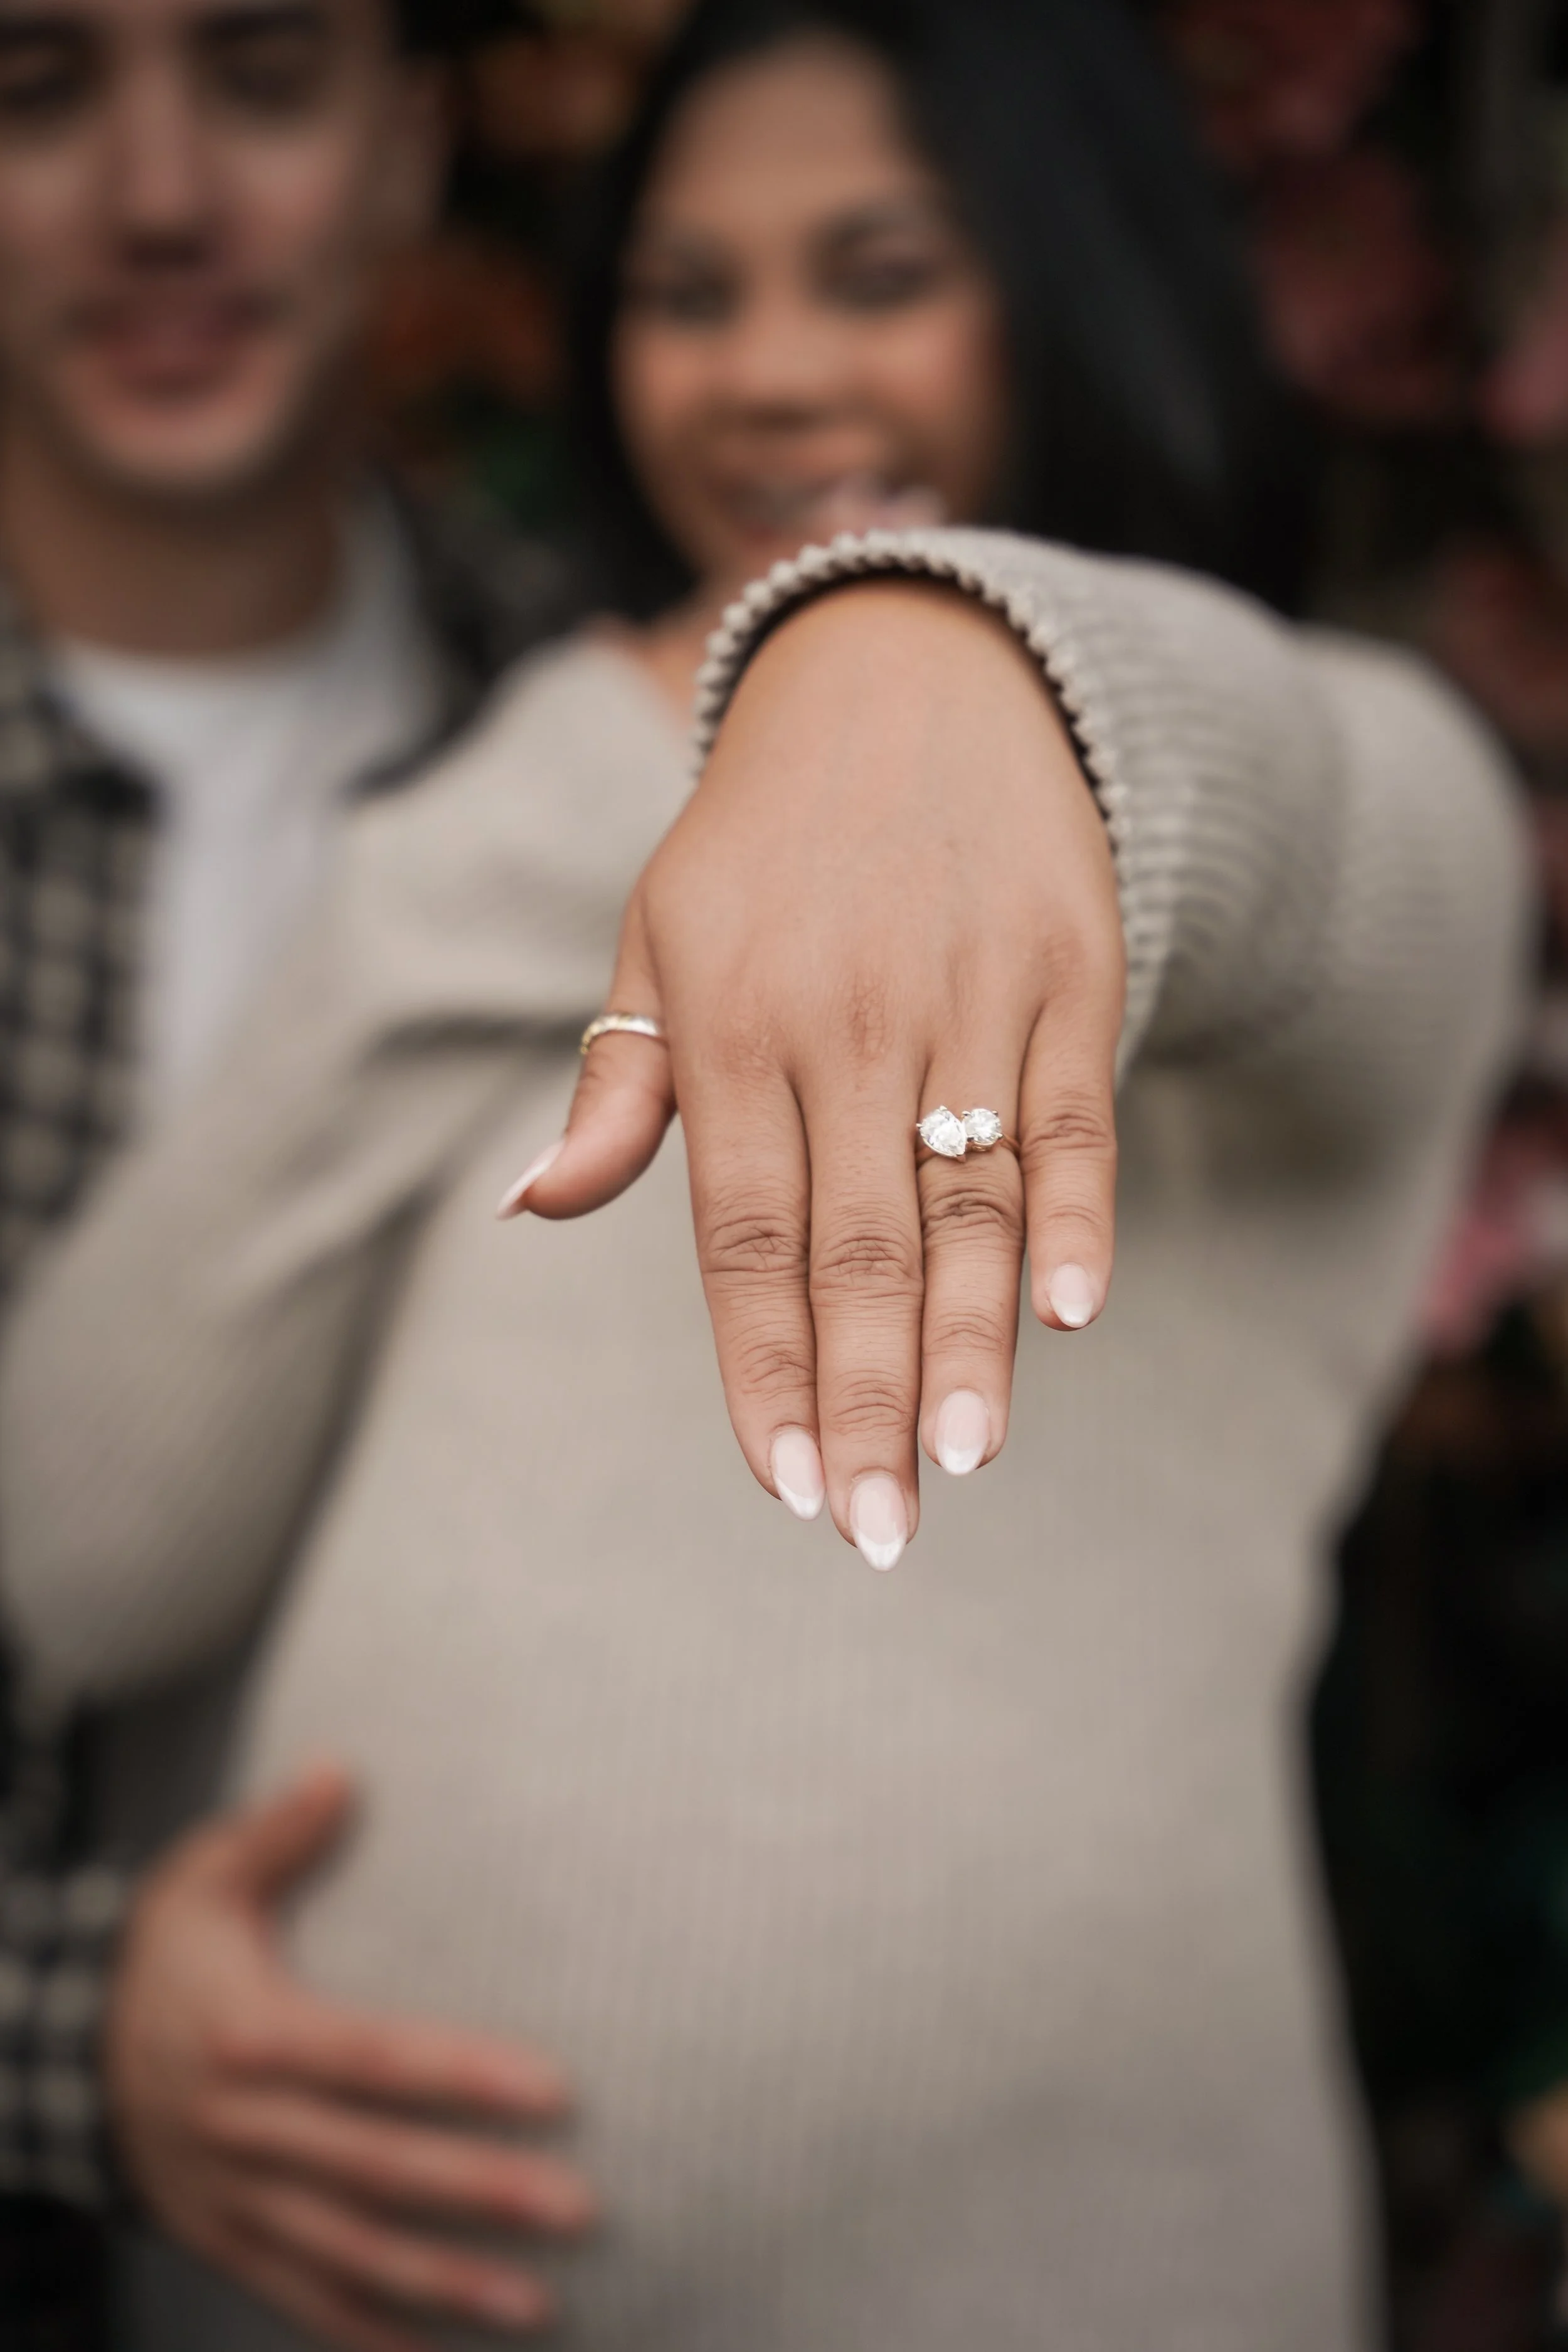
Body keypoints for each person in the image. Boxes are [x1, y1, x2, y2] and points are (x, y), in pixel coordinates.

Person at [0, 0, 1531, 2344]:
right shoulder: (545, 847)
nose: (764, 372)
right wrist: (563, 784)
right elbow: (89, 1553)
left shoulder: (1337, 789)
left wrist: (939, 652)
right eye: (688, 296)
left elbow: (1306, 810)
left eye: (879, 270)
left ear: (1075, 278)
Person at [0, 0, 597, 2344]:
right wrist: (73, 2038)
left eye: (257, 70)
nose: (161, 195)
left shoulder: (608, 741)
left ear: (406, 143)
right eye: (33, 88)